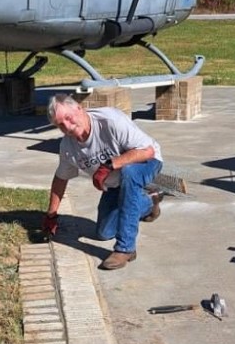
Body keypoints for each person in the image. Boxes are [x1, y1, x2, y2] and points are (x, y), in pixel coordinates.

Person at [42, 93, 164, 270]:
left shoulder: (110, 120)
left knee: (130, 173)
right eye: (60, 124)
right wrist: (51, 215)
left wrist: (109, 165)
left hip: (146, 163)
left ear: (79, 108)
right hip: (115, 183)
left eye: (68, 118)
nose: (67, 126)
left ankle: (125, 249)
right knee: (104, 232)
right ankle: (149, 201)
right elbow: (61, 178)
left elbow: (148, 152)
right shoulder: (68, 147)